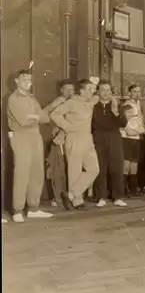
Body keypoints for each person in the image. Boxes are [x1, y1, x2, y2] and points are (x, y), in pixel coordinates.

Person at [7, 69, 53, 222]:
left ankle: (33, 208)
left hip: (35, 137)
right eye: (24, 78)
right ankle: (18, 210)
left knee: (37, 173)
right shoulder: (14, 98)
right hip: (21, 137)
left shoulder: (32, 98)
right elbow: (23, 121)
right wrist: (37, 116)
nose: (27, 81)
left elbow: (46, 118)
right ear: (17, 81)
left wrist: (35, 116)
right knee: (22, 173)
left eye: (29, 79)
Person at [51, 78, 100, 210]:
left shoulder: (90, 101)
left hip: (87, 137)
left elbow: (97, 97)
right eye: (89, 89)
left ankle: (71, 194)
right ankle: (77, 201)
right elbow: (55, 114)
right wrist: (67, 127)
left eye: (92, 89)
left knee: (94, 169)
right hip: (74, 137)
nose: (92, 91)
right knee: (75, 170)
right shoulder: (72, 102)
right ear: (81, 91)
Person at [91, 81, 128, 208]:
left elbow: (123, 123)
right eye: (102, 90)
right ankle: (101, 197)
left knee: (116, 167)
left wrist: (115, 111)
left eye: (108, 90)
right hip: (98, 137)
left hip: (114, 137)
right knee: (100, 167)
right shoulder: (93, 106)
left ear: (111, 92)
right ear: (97, 92)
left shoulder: (117, 105)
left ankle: (118, 197)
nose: (105, 93)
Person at [44, 79, 75, 208]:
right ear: (61, 90)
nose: (69, 92)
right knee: (59, 169)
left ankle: (72, 196)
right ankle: (57, 197)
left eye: (71, 89)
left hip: (74, 139)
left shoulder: (76, 102)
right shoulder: (58, 102)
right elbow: (44, 113)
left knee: (72, 168)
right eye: (66, 89)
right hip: (60, 140)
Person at [121, 103, 145, 197]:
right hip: (126, 142)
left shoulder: (136, 120)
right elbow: (129, 132)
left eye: (132, 111)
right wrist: (137, 130)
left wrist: (137, 130)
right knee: (126, 166)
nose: (131, 114)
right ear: (124, 113)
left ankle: (133, 189)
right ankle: (123, 188)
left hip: (136, 142)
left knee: (134, 166)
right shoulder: (123, 121)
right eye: (129, 112)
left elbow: (143, 130)